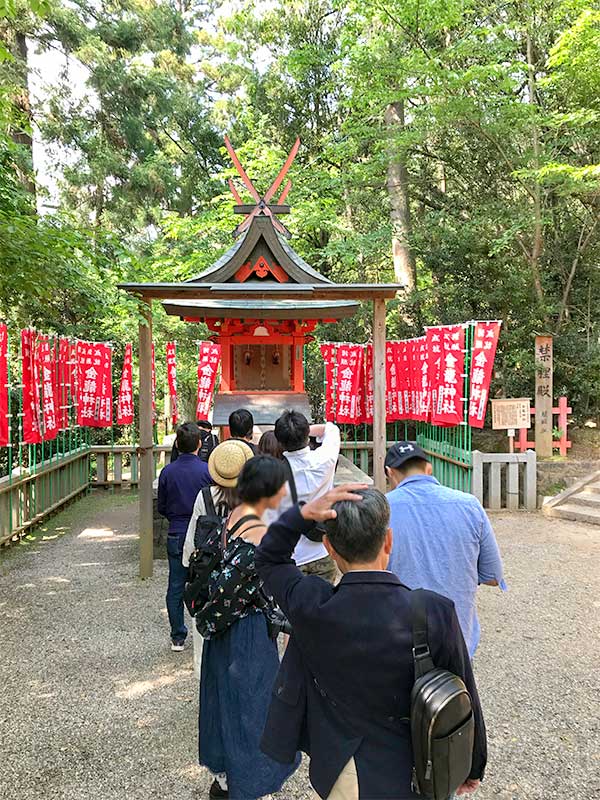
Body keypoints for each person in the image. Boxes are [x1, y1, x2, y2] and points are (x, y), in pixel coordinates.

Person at [255, 486, 487, 800]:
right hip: (420, 761)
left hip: (342, 764)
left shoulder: (312, 606)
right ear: (388, 540)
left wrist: (301, 514)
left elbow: (269, 559)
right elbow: (463, 690)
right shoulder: (432, 610)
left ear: (329, 548)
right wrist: (472, 763)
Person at [198, 455, 301, 800]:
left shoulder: (235, 516)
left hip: (224, 629)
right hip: (249, 633)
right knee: (254, 708)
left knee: (227, 702)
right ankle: (253, 785)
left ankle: (226, 778)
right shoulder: (261, 530)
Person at [385, 441, 506, 658]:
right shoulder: (469, 505)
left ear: (390, 473)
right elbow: (492, 576)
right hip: (457, 641)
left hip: (399, 640)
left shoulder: (382, 508)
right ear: (429, 468)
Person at [157, 422, 212, 651]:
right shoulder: (207, 470)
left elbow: (162, 506)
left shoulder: (167, 472)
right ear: (200, 443)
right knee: (206, 582)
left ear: (177, 444)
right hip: (202, 533)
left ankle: (178, 635)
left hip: (177, 532)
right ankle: (207, 627)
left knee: (176, 585)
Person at [269, 410, 340, 583]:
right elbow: (331, 429)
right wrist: (306, 429)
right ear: (307, 436)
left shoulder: (272, 474)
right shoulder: (326, 459)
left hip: (291, 556)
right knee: (324, 606)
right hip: (322, 550)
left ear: (279, 442)